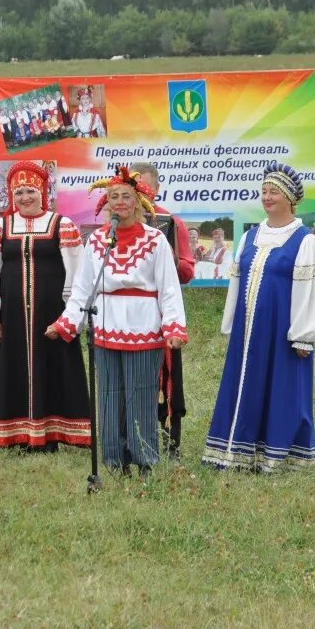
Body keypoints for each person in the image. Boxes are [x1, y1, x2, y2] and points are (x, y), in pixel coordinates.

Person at [45, 167, 187, 478]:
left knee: (140, 394)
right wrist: (67, 322)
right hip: (105, 325)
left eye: (125, 196)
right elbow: (84, 286)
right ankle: (114, 461)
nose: (119, 202)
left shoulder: (155, 240)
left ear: (139, 202)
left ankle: (145, 460)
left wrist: (174, 327)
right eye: (113, 197)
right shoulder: (96, 240)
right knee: (109, 397)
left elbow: (169, 287)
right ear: (106, 204)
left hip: (144, 327)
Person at [202, 161, 315, 472]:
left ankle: (279, 455)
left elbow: (313, 292)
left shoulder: (306, 241)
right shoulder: (250, 237)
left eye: (274, 191)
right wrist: (231, 323)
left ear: (290, 198)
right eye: (264, 191)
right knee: (245, 384)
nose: (267, 196)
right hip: (249, 332)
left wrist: (303, 335)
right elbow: (236, 280)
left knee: (282, 390)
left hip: (283, 332)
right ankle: (239, 451)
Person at [0, 161, 91, 450]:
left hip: (53, 315)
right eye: (18, 193)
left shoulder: (62, 225)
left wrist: (70, 316)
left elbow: (78, 273)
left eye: (30, 191)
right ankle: (16, 434)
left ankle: (54, 434)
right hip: (12, 318)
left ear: (42, 191)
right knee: (13, 369)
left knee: (55, 369)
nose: (25, 198)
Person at [130, 162, 194, 461]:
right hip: (128, 317)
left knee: (167, 377)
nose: (139, 191)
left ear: (156, 190)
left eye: (145, 186)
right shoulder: (116, 225)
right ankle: (130, 435)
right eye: (134, 185)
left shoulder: (171, 222)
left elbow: (187, 272)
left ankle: (170, 440)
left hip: (162, 315)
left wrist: (171, 260)